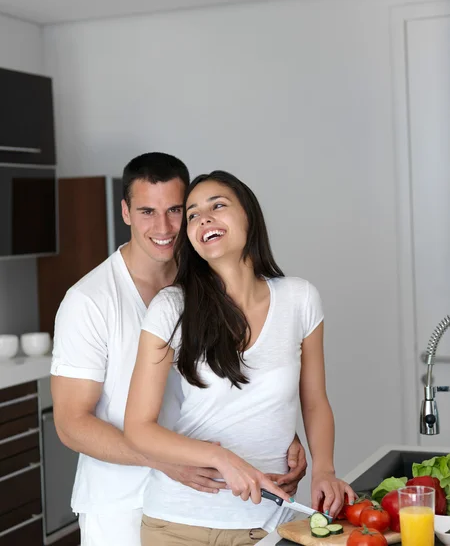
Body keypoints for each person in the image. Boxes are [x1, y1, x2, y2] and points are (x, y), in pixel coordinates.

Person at [51, 154, 307, 546]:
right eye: (147, 211)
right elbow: (71, 422)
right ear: (125, 212)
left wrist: (277, 434)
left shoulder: (207, 284)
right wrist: (162, 460)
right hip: (120, 505)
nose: (164, 227)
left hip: (205, 504)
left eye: (175, 210)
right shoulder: (90, 300)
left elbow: (237, 380)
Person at [124, 170, 357, 546]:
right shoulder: (171, 307)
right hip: (176, 524)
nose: (204, 219)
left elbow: (314, 402)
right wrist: (223, 460)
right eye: (194, 215)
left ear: (249, 215)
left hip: (267, 524)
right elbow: (138, 428)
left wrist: (324, 470)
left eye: (218, 206)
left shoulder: (300, 299)